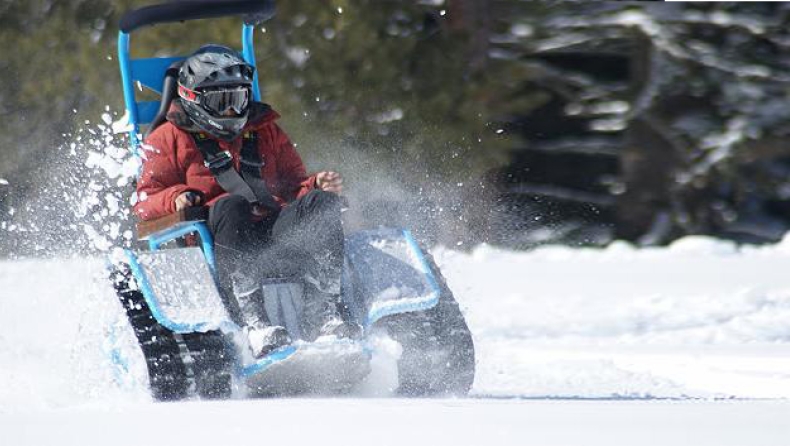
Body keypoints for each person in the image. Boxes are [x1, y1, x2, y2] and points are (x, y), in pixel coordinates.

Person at [133, 44, 359, 358]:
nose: (231, 112)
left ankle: (324, 313)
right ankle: (254, 322)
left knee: (322, 203)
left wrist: (315, 186)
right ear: (192, 99)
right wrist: (176, 199)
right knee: (231, 204)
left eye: (237, 100)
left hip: (272, 226)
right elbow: (144, 202)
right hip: (216, 239)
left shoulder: (265, 131)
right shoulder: (166, 138)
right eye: (221, 102)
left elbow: (294, 187)